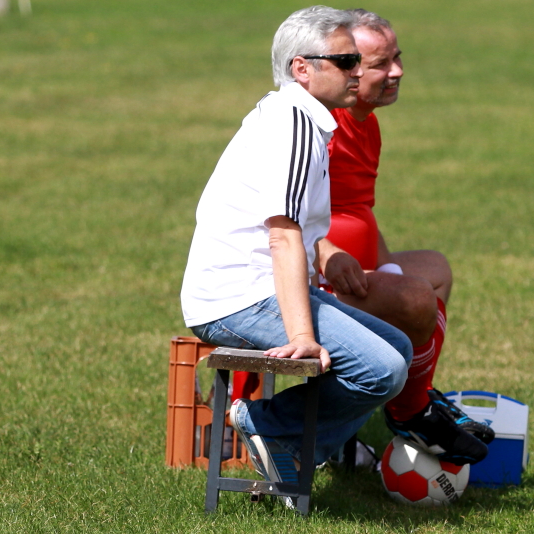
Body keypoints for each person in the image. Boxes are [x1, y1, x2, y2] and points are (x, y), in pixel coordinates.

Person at [180, 6, 414, 495]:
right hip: (237, 299)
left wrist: (328, 253)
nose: (357, 71)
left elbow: (297, 229)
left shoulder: (302, 118)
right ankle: (268, 427)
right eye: (345, 61)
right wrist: (302, 335)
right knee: (383, 369)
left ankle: (290, 449)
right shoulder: (293, 124)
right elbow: (281, 235)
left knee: (399, 348)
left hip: (259, 289)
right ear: (301, 68)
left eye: (358, 60)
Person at [318, 9, 495, 457]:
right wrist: (327, 256)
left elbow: (358, 211)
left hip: (354, 272)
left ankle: (411, 401)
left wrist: (387, 268)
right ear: (348, 69)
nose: (397, 71)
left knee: (434, 269)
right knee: (416, 299)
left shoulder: (366, 122)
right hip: (312, 281)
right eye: (382, 64)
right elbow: (282, 217)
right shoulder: (323, 128)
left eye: (397, 58)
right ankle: (412, 414)